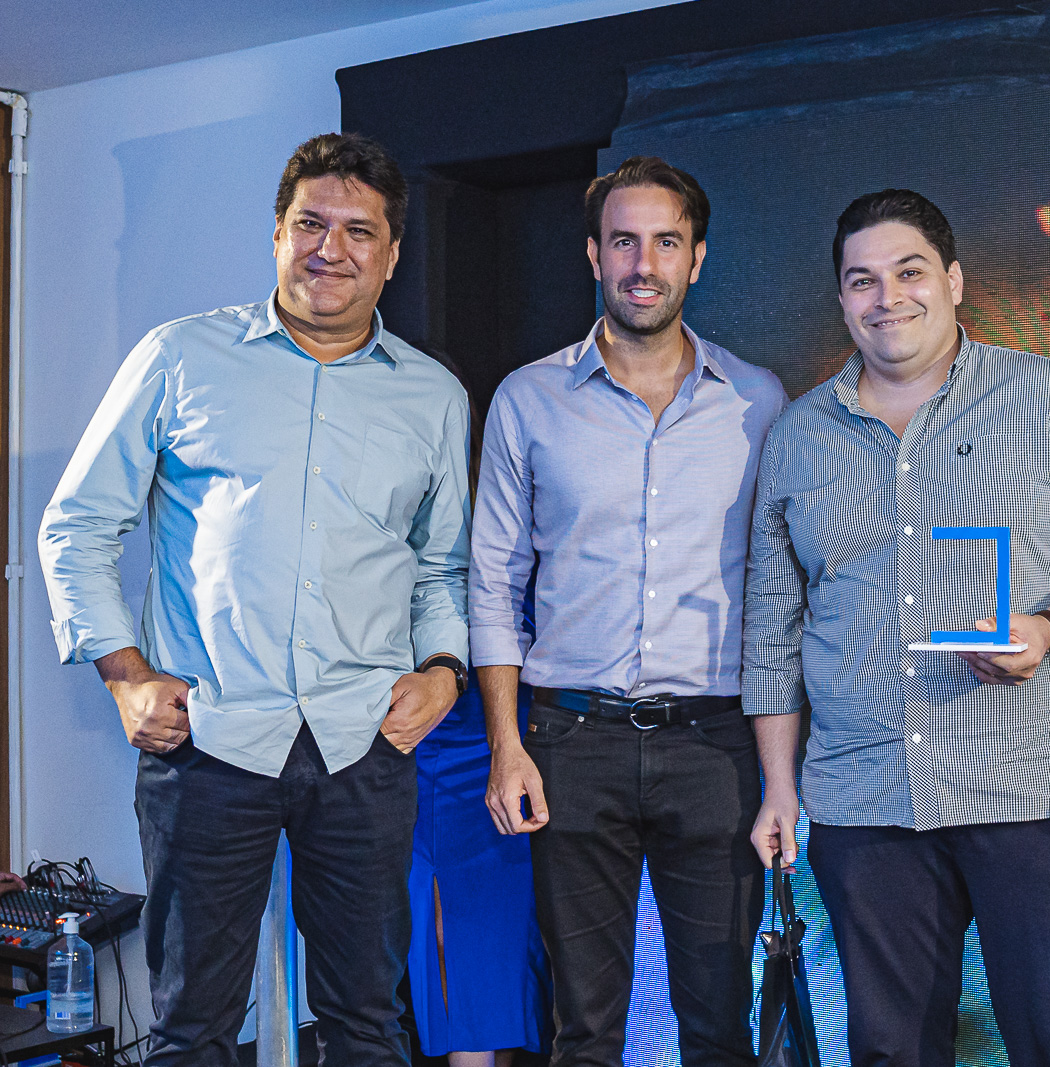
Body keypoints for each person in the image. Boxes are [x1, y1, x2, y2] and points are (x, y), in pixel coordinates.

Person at [38, 132, 472, 1066]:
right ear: (277, 234)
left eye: (359, 231)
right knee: (193, 1026)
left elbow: (443, 568)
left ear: (392, 254)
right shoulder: (179, 357)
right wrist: (125, 676)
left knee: (368, 1022)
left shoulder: (434, 396)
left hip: (363, 743)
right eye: (311, 223)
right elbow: (75, 526)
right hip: (208, 740)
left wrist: (444, 671)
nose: (331, 249)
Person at [743, 188, 1050, 1067]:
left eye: (909, 272)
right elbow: (772, 628)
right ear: (842, 298)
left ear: (951, 280)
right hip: (865, 799)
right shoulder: (798, 436)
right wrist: (779, 788)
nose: (887, 297)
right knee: (891, 1053)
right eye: (862, 280)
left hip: (1033, 791)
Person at [471, 156, 787, 1066]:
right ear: (593, 254)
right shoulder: (527, 399)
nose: (643, 264)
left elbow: (782, 589)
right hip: (570, 745)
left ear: (697, 258)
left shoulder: (758, 401)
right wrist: (507, 745)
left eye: (665, 243)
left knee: (720, 1027)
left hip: (714, 746)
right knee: (584, 1030)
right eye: (623, 242)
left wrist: (779, 773)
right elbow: (493, 582)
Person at [406, 352, 551, 1067]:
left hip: (490, 735)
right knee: (424, 931)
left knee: (488, 929)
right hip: (397, 739)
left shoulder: (500, 499)